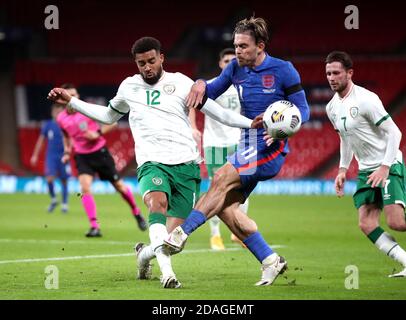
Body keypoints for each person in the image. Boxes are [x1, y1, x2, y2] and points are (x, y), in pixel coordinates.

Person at [47, 37, 257, 288]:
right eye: (141, 63)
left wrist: (252, 123)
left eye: (151, 61)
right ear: (135, 63)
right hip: (151, 162)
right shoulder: (129, 87)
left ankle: (144, 254)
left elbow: (219, 113)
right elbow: (107, 115)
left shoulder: (181, 83)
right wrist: (72, 102)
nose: (147, 67)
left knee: (171, 242)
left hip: (186, 166)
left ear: (161, 58)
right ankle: (168, 275)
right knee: (157, 203)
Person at [164, 16, 310, 286]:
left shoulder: (284, 70)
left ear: (260, 46)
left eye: (243, 46)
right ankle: (270, 260)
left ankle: (181, 234)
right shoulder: (235, 69)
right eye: (236, 45)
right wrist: (198, 83)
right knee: (226, 207)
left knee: (220, 177)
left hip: (269, 146)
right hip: (247, 143)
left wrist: (285, 127)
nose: (239, 51)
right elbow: (211, 90)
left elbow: (303, 110)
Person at [325, 51, 406, 278]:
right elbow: (345, 138)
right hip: (366, 170)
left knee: (397, 223)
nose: (331, 77)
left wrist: (385, 166)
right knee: (367, 223)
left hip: (387, 165)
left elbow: (394, 132)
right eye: (328, 73)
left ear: (350, 73)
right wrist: (342, 169)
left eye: (336, 73)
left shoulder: (366, 99)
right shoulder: (332, 107)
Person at [55, 83, 147, 237]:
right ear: (62, 99)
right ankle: (94, 226)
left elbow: (113, 122)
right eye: (69, 95)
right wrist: (66, 151)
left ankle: (136, 212)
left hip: (99, 153)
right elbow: (65, 135)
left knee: (119, 186)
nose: (72, 97)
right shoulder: (61, 118)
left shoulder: (85, 110)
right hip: (81, 156)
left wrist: (97, 133)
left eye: (75, 95)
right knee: (85, 189)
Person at [202, 48, 249, 250]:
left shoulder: (245, 85)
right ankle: (215, 235)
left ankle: (238, 232)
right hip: (214, 143)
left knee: (244, 188)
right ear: (221, 64)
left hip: (238, 142)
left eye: (234, 59)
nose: (231, 62)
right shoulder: (212, 85)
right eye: (227, 60)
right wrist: (194, 128)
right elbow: (193, 104)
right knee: (216, 188)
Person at [30, 104, 70, 213]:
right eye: (55, 111)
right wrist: (35, 155)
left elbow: (71, 140)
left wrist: (69, 151)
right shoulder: (48, 125)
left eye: (59, 111)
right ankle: (53, 199)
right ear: (52, 112)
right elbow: (40, 140)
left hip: (64, 156)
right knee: (49, 178)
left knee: (64, 180)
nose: (57, 113)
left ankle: (65, 204)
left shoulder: (66, 125)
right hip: (51, 157)